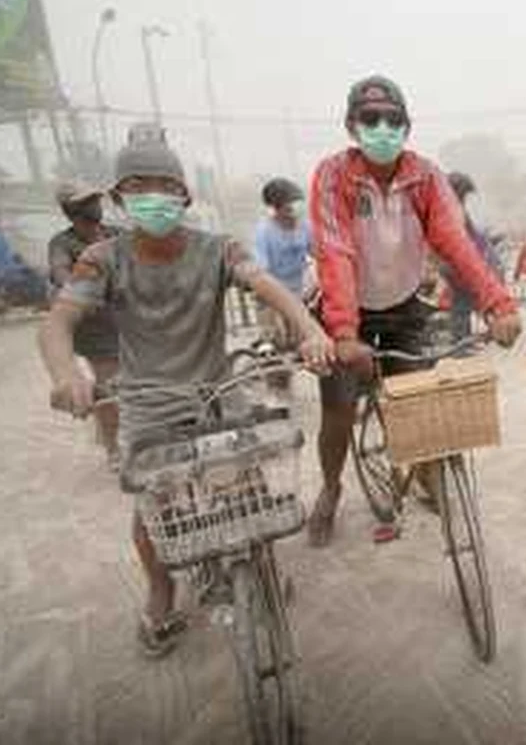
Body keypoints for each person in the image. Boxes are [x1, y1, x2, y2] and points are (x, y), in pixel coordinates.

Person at [38, 126, 334, 656]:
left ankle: (261, 564)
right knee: (156, 506)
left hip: (219, 390)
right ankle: (162, 590)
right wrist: (66, 375)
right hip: (147, 401)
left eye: (164, 185)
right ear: (118, 198)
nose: (152, 196)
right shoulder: (102, 258)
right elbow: (58, 321)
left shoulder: (219, 249)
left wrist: (311, 330)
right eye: (137, 186)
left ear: (184, 195)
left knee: (247, 487)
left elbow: (266, 285)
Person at [307, 75, 522, 546]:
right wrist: (343, 333)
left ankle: (426, 473)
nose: (383, 128)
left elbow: (455, 244)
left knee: (417, 402)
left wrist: (497, 304)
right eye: (370, 119)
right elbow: (335, 251)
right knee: (338, 409)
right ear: (351, 126)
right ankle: (330, 488)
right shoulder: (334, 175)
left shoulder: (426, 176)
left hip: (403, 303)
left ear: (407, 125)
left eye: (393, 119)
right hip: (346, 308)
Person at [47, 181, 122, 464]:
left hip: (133, 324)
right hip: (98, 332)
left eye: (95, 200)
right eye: (88, 202)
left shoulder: (116, 233)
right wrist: (86, 291)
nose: (95, 206)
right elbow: (60, 274)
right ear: (71, 210)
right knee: (109, 391)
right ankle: (113, 447)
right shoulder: (62, 244)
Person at [254, 177, 312, 389]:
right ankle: (276, 388)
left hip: (297, 295)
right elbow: (261, 269)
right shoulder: (264, 231)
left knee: (298, 343)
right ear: (277, 208)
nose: (294, 209)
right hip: (271, 296)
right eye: (289, 204)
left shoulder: (305, 226)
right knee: (275, 344)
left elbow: (320, 253)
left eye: (296, 203)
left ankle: (284, 378)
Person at [443, 171, 505, 343]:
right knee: (462, 302)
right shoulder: (452, 210)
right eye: (464, 193)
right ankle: (460, 340)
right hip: (458, 264)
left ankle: (464, 338)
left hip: (459, 263)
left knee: (465, 300)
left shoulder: (454, 208)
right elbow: (460, 237)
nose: (466, 197)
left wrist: (487, 240)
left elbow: (472, 234)